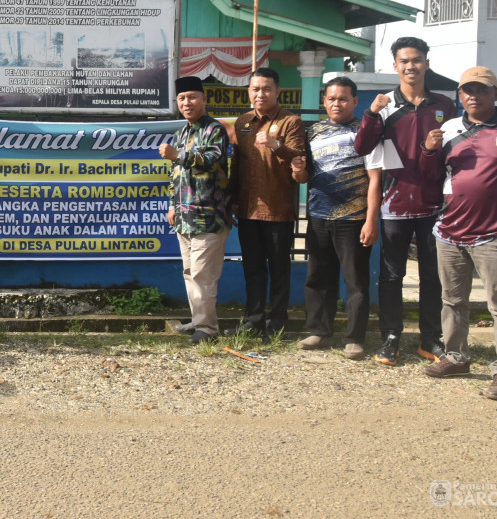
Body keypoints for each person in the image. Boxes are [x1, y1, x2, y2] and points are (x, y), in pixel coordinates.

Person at [419, 67, 497, 401]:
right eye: (467, 90)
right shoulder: (450, 128)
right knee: (452, 301)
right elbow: (431, 176)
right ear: (460, 96)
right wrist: (429, 150)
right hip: (450, 230)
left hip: (494, 233)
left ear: (496, 95)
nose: (473, 96)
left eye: (481, 90)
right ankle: (456, 357)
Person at [353, 36, 457, 366]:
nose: (410, 66)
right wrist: (371, 112)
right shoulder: (385, 107)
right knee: (391, 276)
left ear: (426, 63)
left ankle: (430, 339)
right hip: (394, 205)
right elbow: (362, 147)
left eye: (416, 60)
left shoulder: (445, 106)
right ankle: (391, 337)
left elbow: (455, 155)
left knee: (432, 275)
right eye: (404, 61)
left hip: (435, 206)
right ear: (395, 66)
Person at [292, 78, 381, 359]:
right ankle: (319, 330)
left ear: (355, 102)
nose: (336, 103)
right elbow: (306, 175)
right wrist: (297, 173)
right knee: (318, 277)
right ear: (324, 101)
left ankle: (355, 337)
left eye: (343, 99)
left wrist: (371, 220)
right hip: (318, 216)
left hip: (354, 219)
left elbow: (375, 179)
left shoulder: (366, 132)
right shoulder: (314, 131)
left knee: (355, 281)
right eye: (331, 98)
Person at [228, 67, 306, 336]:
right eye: (255, 89)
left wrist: (275, 145)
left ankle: (278, 321)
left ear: (277, 91)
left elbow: (298, 158)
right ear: (249, 92)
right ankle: (254, 319)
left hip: (278, 209)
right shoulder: (243, 122)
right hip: (248, 209)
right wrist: (234, 200)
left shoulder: (290, 121)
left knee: (280, 269)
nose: (260, 94)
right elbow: (237, 165)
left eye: (266, 89)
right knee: (253, 268)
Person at [158, 76, 231, 344]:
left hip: (209, 216)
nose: (187, 102)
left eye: (192, 97)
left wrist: (178, 155)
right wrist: (172, 206)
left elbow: (212, 160)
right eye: (182, 98)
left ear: (204, 99)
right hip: (184, 217)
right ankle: (199, 321)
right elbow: (175, 176)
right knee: (190, 272)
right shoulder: (181, 133)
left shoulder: (215, 129)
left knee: (204, 275)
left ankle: (208, 330)